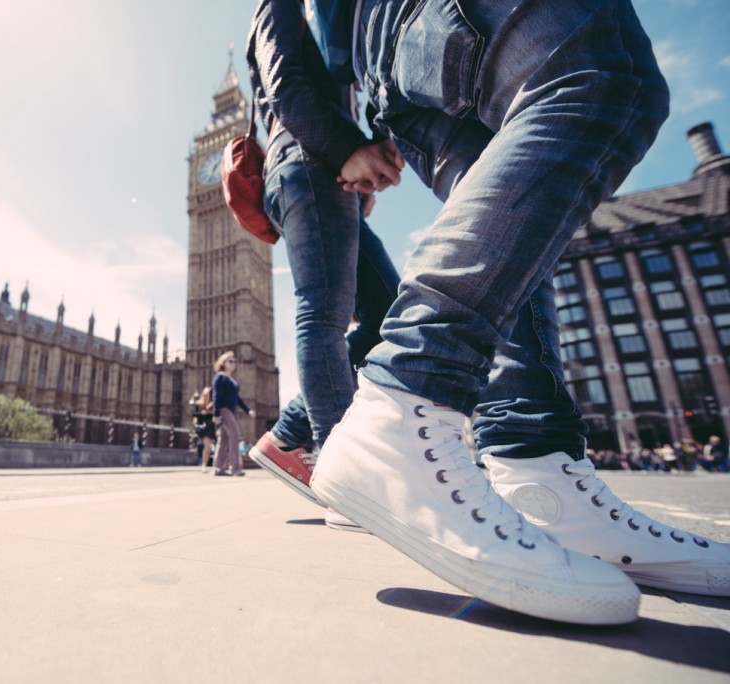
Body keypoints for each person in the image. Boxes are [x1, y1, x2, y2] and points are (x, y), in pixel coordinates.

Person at [304, 0, 729, 626]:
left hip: (389, 58)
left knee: (520, 209)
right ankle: (400, 406)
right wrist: (333, 139)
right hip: (411, 22)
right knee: (605, 76)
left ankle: (540, 473)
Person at [244, 0, 401, 528]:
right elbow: (286, 85)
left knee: (388, 313)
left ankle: (289, 435)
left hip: (331, 174)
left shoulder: (333, 16)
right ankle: (344, 474)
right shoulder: (278, 6)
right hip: (306, 162)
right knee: (324, 314)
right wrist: (344, 149)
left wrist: (362, 154)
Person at [211, 351, 255, 477]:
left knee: (223, 440)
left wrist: (248, 410)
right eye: (230, 361)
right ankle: (235, 468)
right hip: (224, 410)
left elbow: (238, 399)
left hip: (230, 411)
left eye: (234, 361)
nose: (233, 363)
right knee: (235, 435)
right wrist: (215, 414)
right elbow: (216, 395)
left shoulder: (230, 379)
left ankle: (218, 468)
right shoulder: (220, 376)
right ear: (223, 363)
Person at [190, 387, 216, 473]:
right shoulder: (198, 404)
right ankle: (204, 465)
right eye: (206, 394)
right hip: (200, 426)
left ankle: (204, 464)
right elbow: (194, 415)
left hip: (209, 426)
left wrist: (211, 413)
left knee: (207, 446)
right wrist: (202, 413)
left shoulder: (212, 404)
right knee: (207, 446)